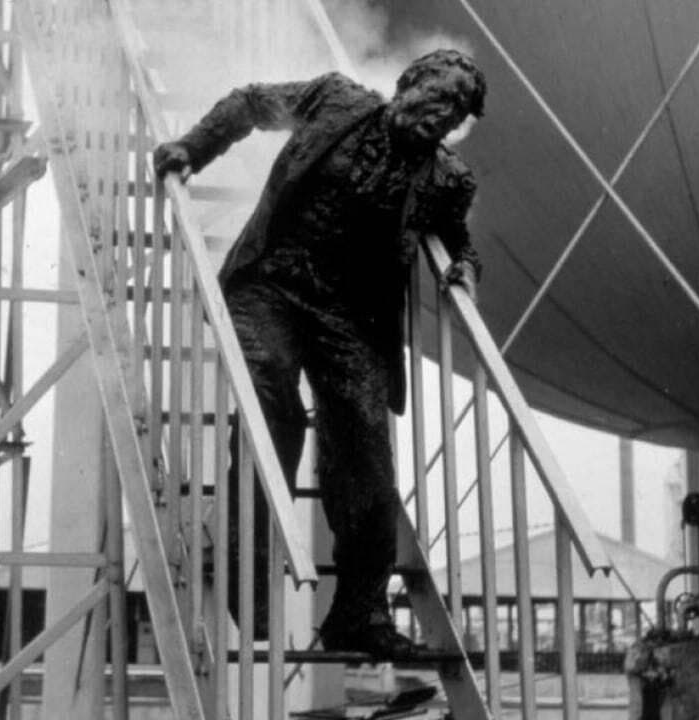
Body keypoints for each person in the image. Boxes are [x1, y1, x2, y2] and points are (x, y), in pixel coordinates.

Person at [153, 50, 486, 657]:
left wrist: (465, 265)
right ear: (409, 83)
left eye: (457, 111)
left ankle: (359, 616)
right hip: (271, 284)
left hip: (349, 317)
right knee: (272, 407)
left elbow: (458, 238)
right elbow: (250, 103)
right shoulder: (336, 99)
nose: (443, 114)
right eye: (439, 96)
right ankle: (249, 575)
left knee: (367, 457)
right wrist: (194, 149)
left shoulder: (448, 179)